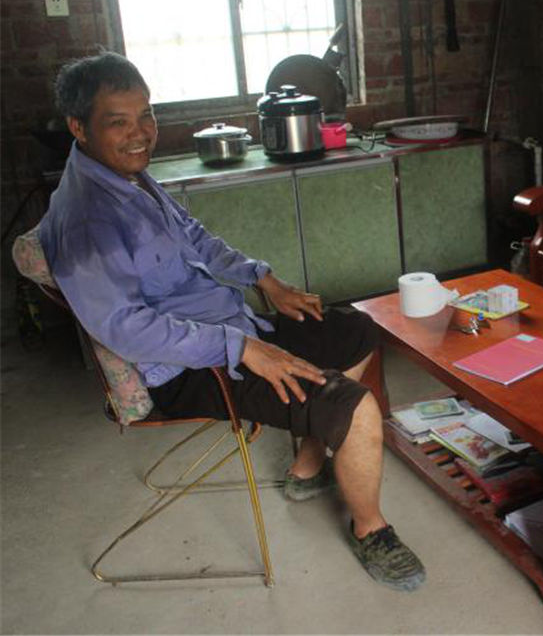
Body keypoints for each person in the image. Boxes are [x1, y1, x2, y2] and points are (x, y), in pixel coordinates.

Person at [38, 52, 426, 592]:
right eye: (118, 122)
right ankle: (371, 530)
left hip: (232, 329)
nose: (140, 134)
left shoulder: (128, 177)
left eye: (146, 115)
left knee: (354, 329)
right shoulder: (86, 219)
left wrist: (263, 279)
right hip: (183, 369)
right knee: (353, 407)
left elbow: (194, 238)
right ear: (79, 128)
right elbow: (125, 328)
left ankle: (308, 464)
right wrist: (242, 349)